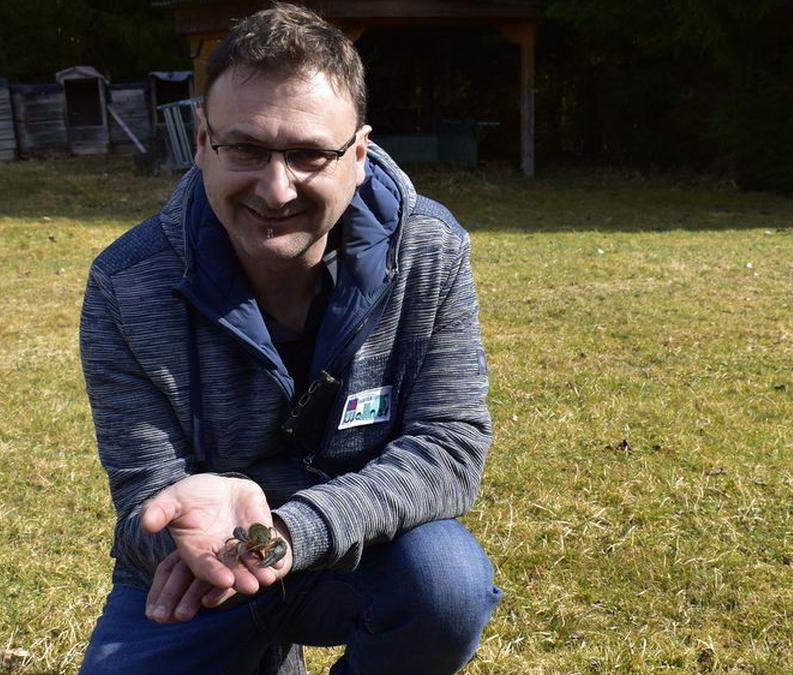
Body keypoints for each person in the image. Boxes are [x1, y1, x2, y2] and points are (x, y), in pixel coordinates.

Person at [77, 4, 500, 673]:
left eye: (308, 154)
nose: (276, 190)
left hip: (362, 550)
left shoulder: (428, 250)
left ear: (358, 155)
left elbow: (449, 445)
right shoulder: (125, 284)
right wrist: (208, 545)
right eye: (244, 148)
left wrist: (285, 535)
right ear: (201, 141)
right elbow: (145, 500)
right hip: (202, 574)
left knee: (445, 583)